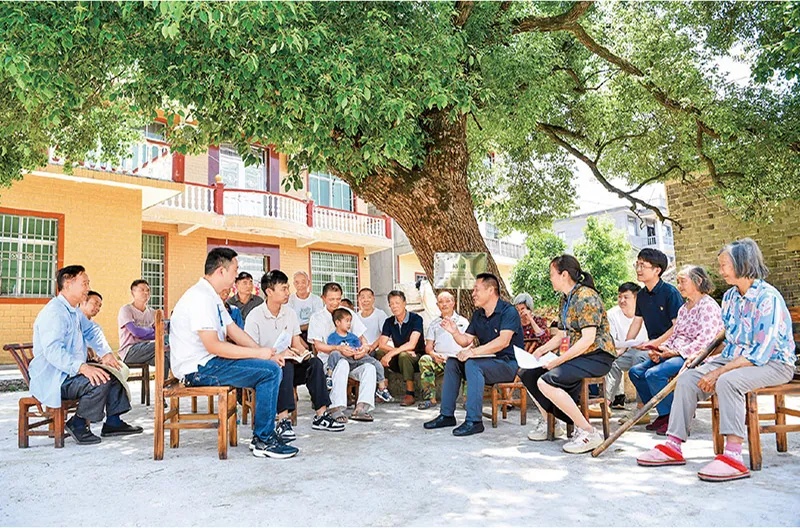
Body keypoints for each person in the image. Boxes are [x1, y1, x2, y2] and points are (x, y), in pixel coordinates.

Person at [637, 238, 796, 482]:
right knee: (688, 377)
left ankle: (733, 457)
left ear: (742, 264)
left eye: (724, 265)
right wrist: (702, 359)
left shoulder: (767, 298)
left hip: (773, 363)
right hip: (734, 358)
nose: (720, 271)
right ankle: (673, 445)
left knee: (728, 382)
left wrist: (718, 372)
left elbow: (759, 353)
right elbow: (727, 340)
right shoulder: (731, 297)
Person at [169, 247, 298, 459]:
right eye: (235, 270)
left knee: (271, 366)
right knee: (270, 372)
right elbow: (213, 345)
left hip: (209, 363)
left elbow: (234, 331)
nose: (237, 275)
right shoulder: (200, 298)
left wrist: (265, 353)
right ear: (221, 271)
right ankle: (263, 440)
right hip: (198, 369)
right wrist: (259, 354)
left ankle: (263, 435)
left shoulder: (212, 297)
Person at [29, 265, 143, 445]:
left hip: (70, 373)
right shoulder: (54, 312)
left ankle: (113, 423)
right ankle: (78, 423)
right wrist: (82, 367)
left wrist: (106, 353)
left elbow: (92, 330)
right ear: (68, 283)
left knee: (113, 373)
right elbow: (53, 351)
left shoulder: (73, 311)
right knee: (99, 380)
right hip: (56, 378)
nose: (88, 288)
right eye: (84, 283)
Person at [520, 255, 617, 454]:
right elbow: (562, 335)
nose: (550, 278)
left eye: (552, 274)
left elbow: (588, 339)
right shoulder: (565, 299)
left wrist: (558, 361)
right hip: (578, 355)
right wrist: (541, 350)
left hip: (597, 356)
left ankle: (588, 432)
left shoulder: (586, 296)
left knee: (546, 381)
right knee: (527, 373)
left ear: (564, 275)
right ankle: (551, 423)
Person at [245, 270, 343, 441]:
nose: (288, 292)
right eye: (283, 289)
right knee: (286, 364)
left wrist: (305, 354)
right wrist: (276, 355)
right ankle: (283, 420)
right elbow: (251, 351)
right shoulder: (255, 316)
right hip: (265, 367)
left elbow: (296, 342)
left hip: (287, 364)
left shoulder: (289, 313)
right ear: (269, 292)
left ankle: (321, 415)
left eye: (287, 288)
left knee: (315, 363)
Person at [629, 266, 725, 435]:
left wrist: (675, 353)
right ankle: (665, 413)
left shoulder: (707, 306)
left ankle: (674, 416)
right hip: (675, 352)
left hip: (695, 356)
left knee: (654, 374)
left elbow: (706, 342)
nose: (679, 286)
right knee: (636, 372)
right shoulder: (684, 308)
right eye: (678, 282)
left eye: (683, 282)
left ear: (698, 281)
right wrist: (661, 349)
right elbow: (675, 335)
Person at [424, 273, 522, 436]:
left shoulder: (508, 311)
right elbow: (465, 341)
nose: (473, 293)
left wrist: (472, 352)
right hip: (486, 363)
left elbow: (503, 342)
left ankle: (474, 421)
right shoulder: (478, 315)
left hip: (507, 365)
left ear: (490, 290)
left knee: (472, 363)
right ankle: (446, 415)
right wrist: (455, 332)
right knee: (453, 363)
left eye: (476, 289)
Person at [621, 248, 684, 425]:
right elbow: (636, 323)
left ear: (657, 270)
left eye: (643, 265)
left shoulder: (670, 293)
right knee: (635, 372)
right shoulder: (641, 295)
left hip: (674, 348)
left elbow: (677, 327)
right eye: (637, 264)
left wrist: (655, 343)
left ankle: (670, 415)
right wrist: (625, 345)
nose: (638, 269)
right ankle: (661, 412)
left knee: (649, 371)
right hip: (654, 348)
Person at [307, 282, 377, 423]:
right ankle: (336, 408)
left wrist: (364, 348)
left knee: (370, 368)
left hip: (353, 359)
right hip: (329, 362)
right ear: (323, 298)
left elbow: (362, 338)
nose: (335, 302)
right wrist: (338, 348)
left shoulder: (347, 313)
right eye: (331, 299)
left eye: (338, 299)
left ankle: (361, 408)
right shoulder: (317, 317)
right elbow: (318, 346)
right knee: (342, 363)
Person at [326, 308, 393, 402]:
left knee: (376, 363)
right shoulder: (332, 337)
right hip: (344, 359)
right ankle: (329, 375)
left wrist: (359, 351)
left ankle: (381, 388)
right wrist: (341, 350)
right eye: (347, 321)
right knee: (334, 354)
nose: (349, 324)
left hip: (356, 359)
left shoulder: (353, 337)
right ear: (337, 322)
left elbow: (359, 347)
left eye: (350, 321)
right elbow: (332, 348)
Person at [418, 291, 470, 410]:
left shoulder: (463, 322)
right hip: (440, 360)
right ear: (437, 305)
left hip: (458, 359)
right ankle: (430, 399)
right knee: (424, 360)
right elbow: (428, 346)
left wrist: (462, 354)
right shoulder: (434, 324)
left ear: (453, 303)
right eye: (441, 302)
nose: (444, 304)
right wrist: (433, 354)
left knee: (471, 363)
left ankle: (467, 401)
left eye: (447, 301)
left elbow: (469, 344)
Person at [375, 290, 426, 407]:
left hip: (416, 357)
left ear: (404, 303)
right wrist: (395, 352)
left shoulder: (416, 319)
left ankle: (410, 393)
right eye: (391, 304)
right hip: (399, 355)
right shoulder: (389, 322)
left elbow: (412, 344)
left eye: (397, 303)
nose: (394, 306)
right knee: (380, 353)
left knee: (404, 356)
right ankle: (383, 389)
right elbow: (382, 344)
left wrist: (392, 353)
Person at [604, 282, 649, 410]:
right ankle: (605, 403)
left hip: (647, 351)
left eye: (626, 297)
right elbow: (612, 341)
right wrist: (621, 350)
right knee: (612, 363)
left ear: (636, 298)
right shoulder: (612, 314)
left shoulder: (647, 312)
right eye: (619, 296)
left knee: (638, 358)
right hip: (624, 352)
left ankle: (642, 406)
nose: (622, 300)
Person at [118, 279, 170, 378]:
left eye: (148, 290)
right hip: (129, 351)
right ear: (133, 293)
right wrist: (153, 331)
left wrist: (152, 332)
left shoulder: (152, 312)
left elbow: (160, 332)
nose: (146, 293)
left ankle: (164, 385)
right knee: (163, 344)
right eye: (142, 290)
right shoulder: (126, 310)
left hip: (147, 350)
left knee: (166, 357)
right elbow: (136, 332)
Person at [287, 271, 324, 346]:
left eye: (303, 282)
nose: (300, 285)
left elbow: (318, 322)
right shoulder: (289, 300)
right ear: (294, 284)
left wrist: (300, 328)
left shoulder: (316, 300)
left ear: (308, 282)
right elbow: (288, 323)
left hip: (313, 331)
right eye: (297, 282)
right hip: (295, 333)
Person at [357, 288, 388, 354]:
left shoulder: (380, 314)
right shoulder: (356, 316)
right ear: (359, 300)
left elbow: (385, 333)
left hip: (376, 350)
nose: (366, 300)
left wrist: (373, 346)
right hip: (360, 350)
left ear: (373, 299)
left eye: (369, 297)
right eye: (363, 297)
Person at [80, 290, 107, 361]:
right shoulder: (71, 322)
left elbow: (101, 349)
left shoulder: (97, 328)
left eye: (99, 306)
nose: (98, 308)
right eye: (95, 303)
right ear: (83, 302)